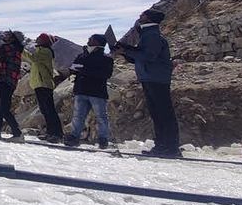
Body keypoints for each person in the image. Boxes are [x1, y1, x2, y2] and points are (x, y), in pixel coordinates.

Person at [115, 9, 180, 158]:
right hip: (151, 77)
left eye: (143, 15)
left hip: (155, 77)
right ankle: (164, 146)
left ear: (149, 18)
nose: (139, 17)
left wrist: (127, 51)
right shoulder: (148, 34)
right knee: (158, 113)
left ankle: (169, 147)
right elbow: (139, 56)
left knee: (163, 113)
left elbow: (148, 56)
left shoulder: (152, 36)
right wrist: (125, 51)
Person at [64, 34, 114, 148]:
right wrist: (73, 70)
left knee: (101, 116)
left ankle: (103, 139)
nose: (88, 41)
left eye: (91, 39)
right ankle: (74, 137)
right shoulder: (82, 55)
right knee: (78, 116)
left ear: (97, 42)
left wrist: (83, 70)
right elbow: (74, 68)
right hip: (82, 89)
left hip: (96, 91)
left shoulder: (106, 59)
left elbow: (106, 74)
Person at [0, 30, 25, 141]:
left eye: (8, 35)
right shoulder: (15, 49)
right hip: (7, 81)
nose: (5, 36)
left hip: (5, 81)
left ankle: (17, 133)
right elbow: (3, 64)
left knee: (3, 109)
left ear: (12, 38)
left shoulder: (9, 47)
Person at [24, 33, 63, 142]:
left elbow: (33, 59)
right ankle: (51, 133)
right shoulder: (41, 50)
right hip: (39, 84)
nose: (37, 39)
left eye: (40, 38)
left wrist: (21, 50)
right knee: (45, 110)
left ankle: (57, 134)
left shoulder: (46, 51)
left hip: (44, 84)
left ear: (44, 41)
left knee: (49, 110)